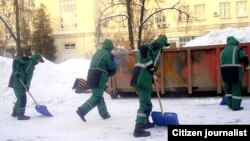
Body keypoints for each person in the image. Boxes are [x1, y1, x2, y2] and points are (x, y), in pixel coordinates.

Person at [130, 35, 170, 137]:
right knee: (145, 104)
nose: (163, 48)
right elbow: (143, 49)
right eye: (164, 45)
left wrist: (153, 79)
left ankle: (145, 122)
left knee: (148, 103)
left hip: (143, 77)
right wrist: (152, 68)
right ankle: (138, 128)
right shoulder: (156, 46)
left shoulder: (153, 49)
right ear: (162, 43)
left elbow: (146, 65)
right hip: (141, 78)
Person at [76, 39, 117, 122]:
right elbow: (112, 67)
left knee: (98, 94)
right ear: (110, 47)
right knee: (97, 96)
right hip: (99, 75)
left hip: (91, 73)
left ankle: (104, 114)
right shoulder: (107, 54)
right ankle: (82, 110)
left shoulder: (98, 52)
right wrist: (115, 63)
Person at [8, 50, 44, 120]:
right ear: (36, 59)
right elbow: (23, 72)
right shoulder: (29, 63)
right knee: (22, 98)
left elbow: (29, 77)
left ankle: (15, 112)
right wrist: (21, 77)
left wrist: (27, 85)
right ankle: (20, 115)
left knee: (20, 97)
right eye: (39, 60)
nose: (39, 62)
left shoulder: (31, 64)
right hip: (18, 82)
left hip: (19, 82)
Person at [220, 36, 249, 111]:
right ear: (235, 42)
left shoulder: (223, 51)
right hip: (235, 71)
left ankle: (230, 104)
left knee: (228, 89)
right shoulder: (238, 49)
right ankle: (235, 106)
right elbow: (244, 58)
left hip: (225, 72)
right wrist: (247, 66)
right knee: (236, 88)